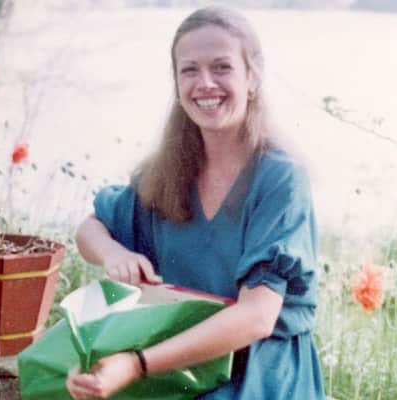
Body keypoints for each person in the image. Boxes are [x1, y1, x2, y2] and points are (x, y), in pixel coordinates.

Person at [66, 6, 325, 400]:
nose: (205, 83)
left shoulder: (279, 179)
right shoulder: (168, 171)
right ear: (176, 82)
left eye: (222, 67)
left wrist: (136, 365)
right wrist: (114, 254)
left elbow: (256, 317)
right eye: (189, 70)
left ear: (252, 78)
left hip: (257, 373)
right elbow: (90, 229)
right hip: (179, 363)